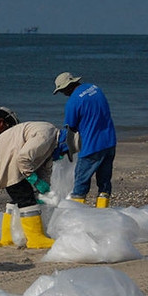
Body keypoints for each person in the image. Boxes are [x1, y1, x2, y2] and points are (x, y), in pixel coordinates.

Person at [0, 121, 61, 249]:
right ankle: (35, 238)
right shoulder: (46, 136)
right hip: (6, 154)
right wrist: (33, 179)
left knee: (18, 197)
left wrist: (44, 189)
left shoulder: (52, 141)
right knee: (25, 198)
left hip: (7, 151)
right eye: (64, 153)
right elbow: (23, 158)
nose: (62, 156)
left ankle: (8, 237)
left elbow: (45, 168)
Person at [53, 72, 117, 208]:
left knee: (80, 185)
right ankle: (103, 214)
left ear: (67, 87)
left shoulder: (73, 102)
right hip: (110, 142)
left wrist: (69, 152)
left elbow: (70, 131)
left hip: (91, 147)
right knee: (104, 184)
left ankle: (77, 217)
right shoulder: (95, 88)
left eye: (62, 91)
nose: (63, 94)